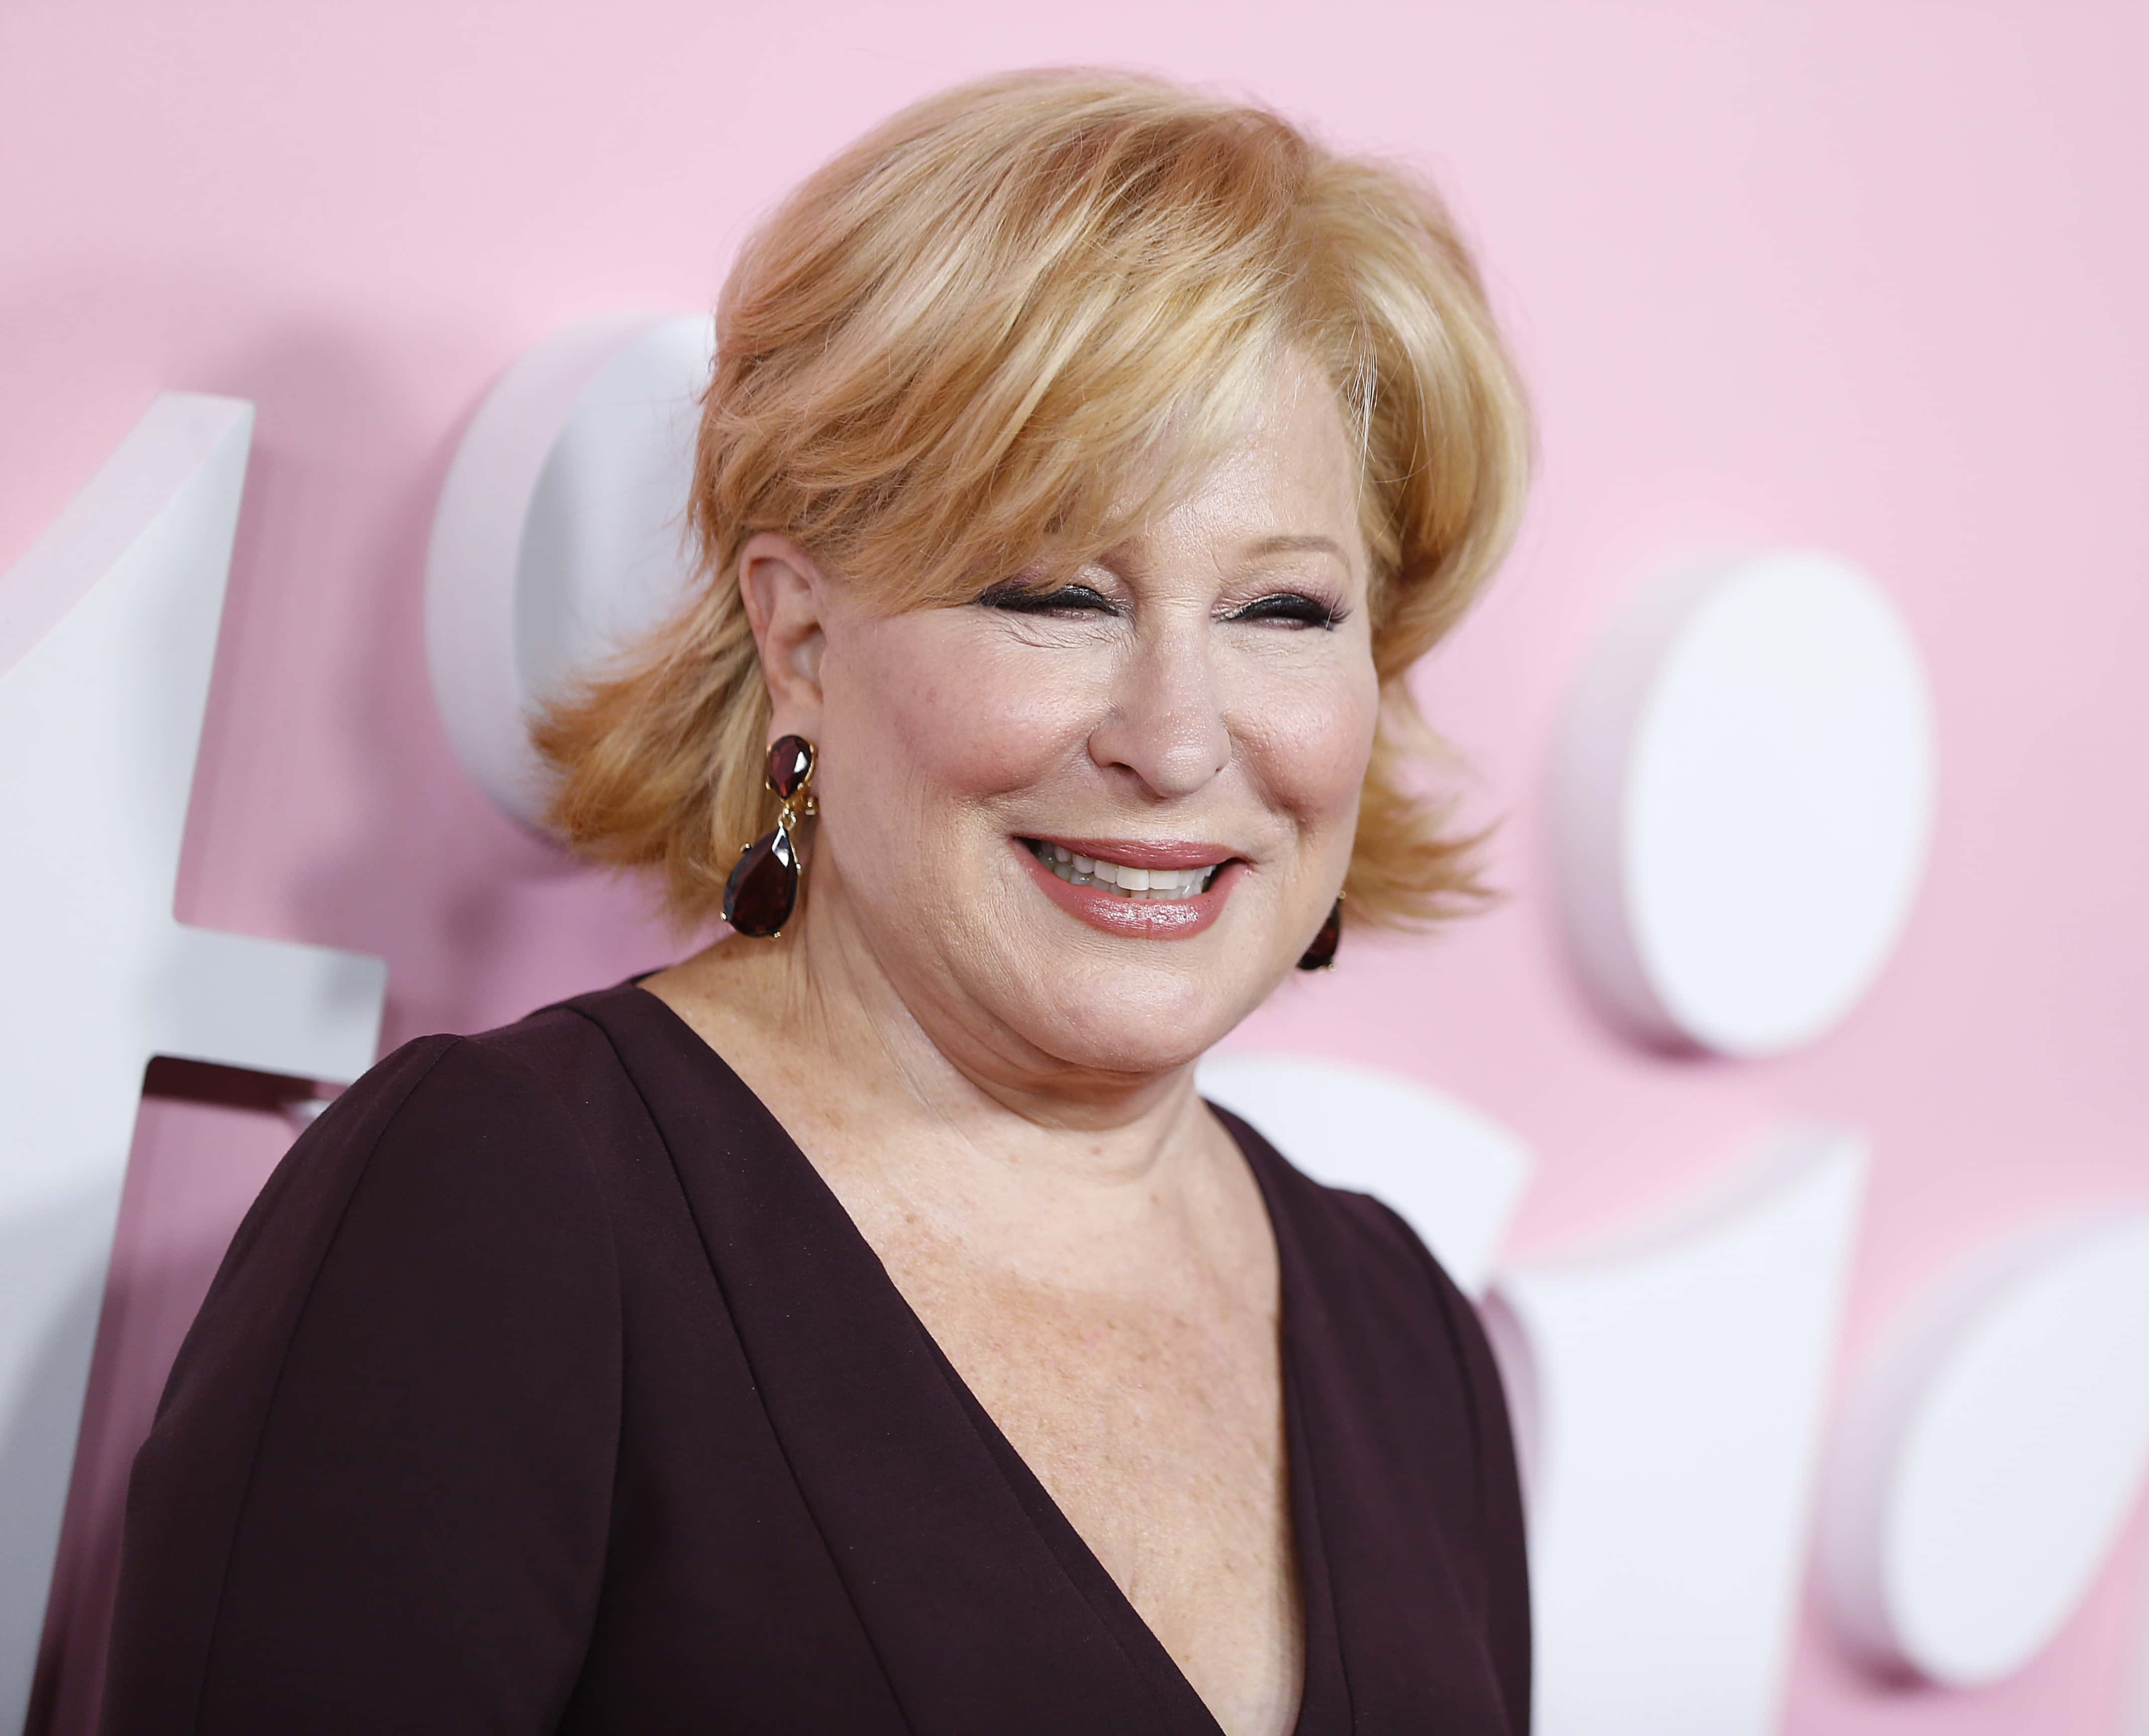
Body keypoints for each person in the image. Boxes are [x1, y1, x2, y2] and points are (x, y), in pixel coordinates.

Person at [103, 67, 1530, 1736]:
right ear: (801, 642)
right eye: (1057, 595)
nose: (1174, 740)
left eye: (1282, 611)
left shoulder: (1409, 1333)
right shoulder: (499, 1209)